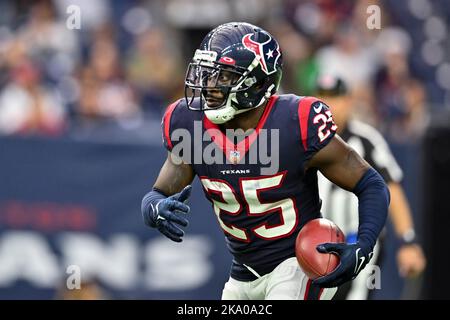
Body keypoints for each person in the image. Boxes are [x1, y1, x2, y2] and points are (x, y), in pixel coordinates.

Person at [140, 22, 390, 300]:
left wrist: (364, 245)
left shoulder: (294, 122)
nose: (209, 85)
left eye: (223, 76)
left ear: (256, 83)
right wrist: (154, 208)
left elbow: (371, 183)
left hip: (297, 263)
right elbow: (159, 192)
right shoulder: (189, 123)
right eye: (207, 74)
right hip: (242, 272)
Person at [315, 74, 426, 300]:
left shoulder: (365, 140)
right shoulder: (302, 140)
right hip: (314, 244)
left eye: (335, 98)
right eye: (322, 98)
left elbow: (391, 189)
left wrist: (408, 241)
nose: (330, 106)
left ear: (348, 101)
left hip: (358, 243)